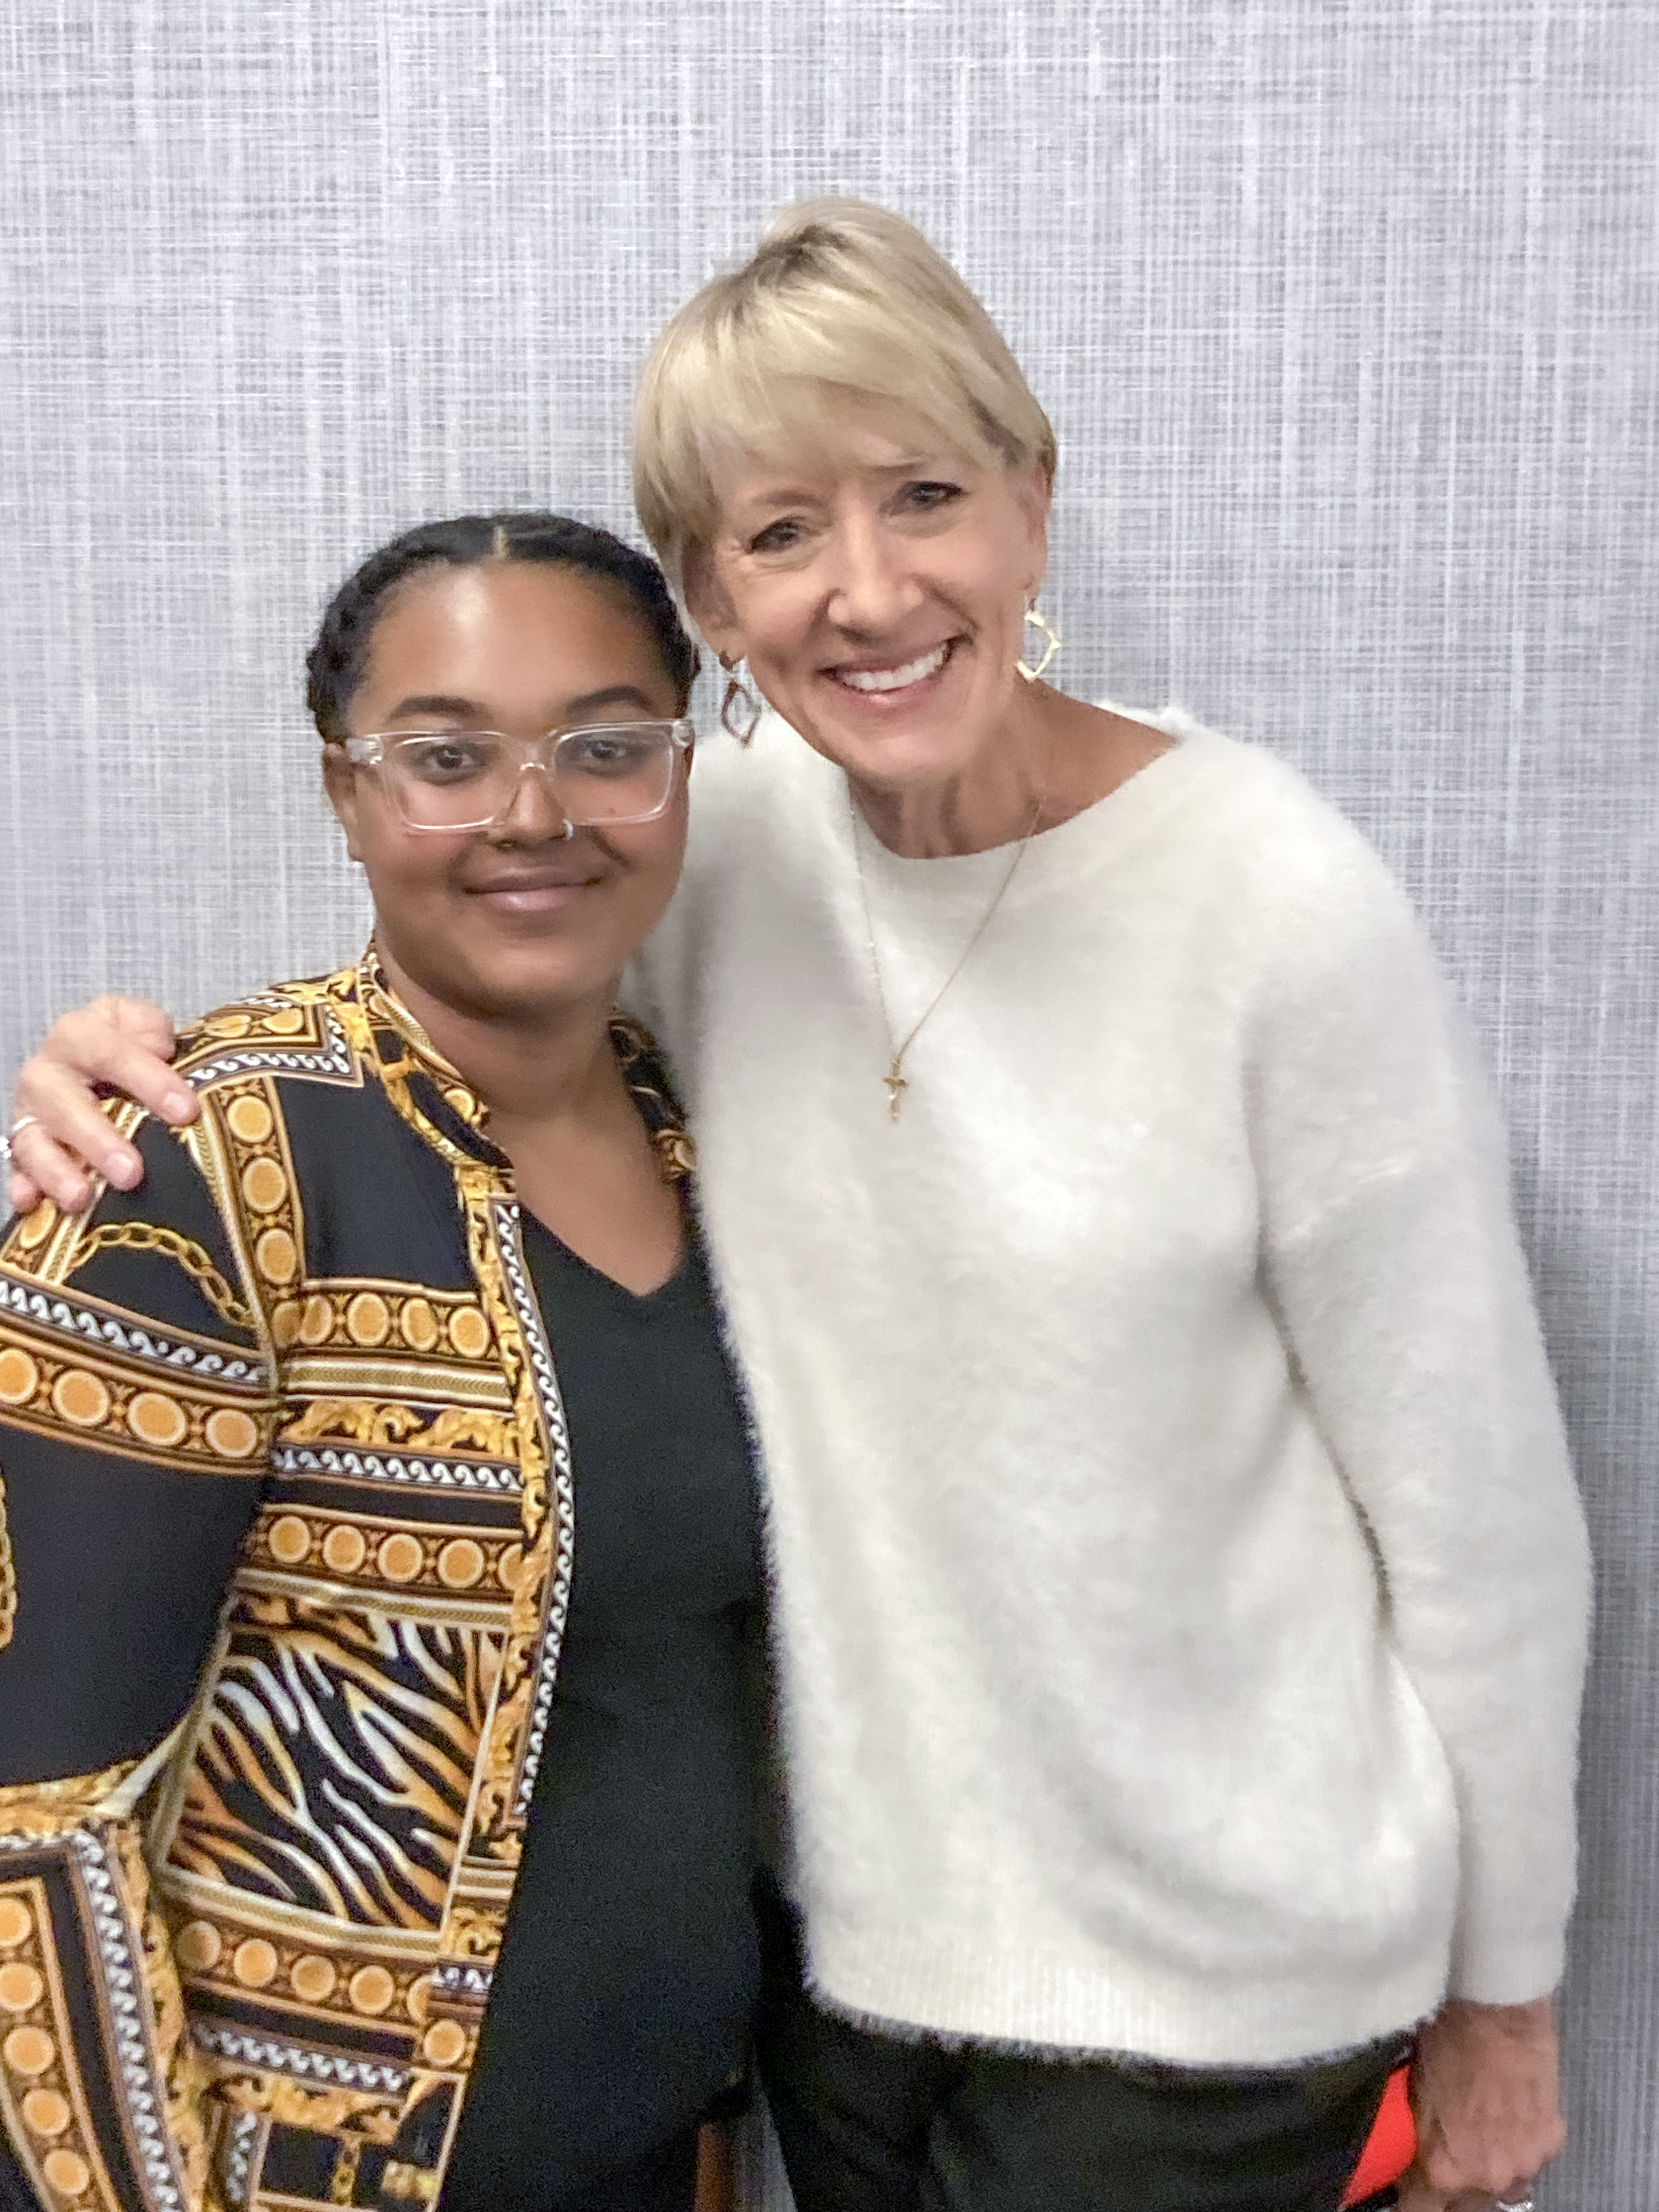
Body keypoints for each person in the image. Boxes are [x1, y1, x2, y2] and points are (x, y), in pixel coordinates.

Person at [5, 201, 1592, 2212]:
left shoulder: (1274, 904)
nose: (869, 591)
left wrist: (1506, 1997)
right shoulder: (696, 844)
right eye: (779, 532)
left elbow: (1480, 1526)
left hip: (1214, 1998)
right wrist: (114, 1068)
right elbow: (465, 975)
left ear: (1031, 506)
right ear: (711, 599)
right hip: (835, 1986)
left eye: (925, 494)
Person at [0, 512, 763, 2212]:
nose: (535, 816)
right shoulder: (205, 1166)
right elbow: (35, 1823)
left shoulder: (717, 1146)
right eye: (446, 758)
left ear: (681, 771)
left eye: (605, 746)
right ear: (346, 793)